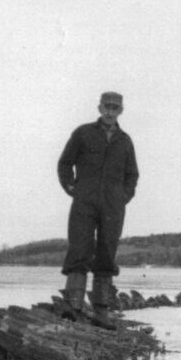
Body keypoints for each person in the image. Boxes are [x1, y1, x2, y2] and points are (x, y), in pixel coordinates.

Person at [57, 91, 139, 328]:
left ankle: (101, 311)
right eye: (107, 107)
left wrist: (122, 197)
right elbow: (65, 163)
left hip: (113, 206)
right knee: (79, 248)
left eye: (115, 108)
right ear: (100, 108)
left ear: (120, 111)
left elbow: (132, 175)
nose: (110, 112)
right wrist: (72, 188)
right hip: (84, 202)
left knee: (107, 252)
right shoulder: (83, 133)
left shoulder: (125, 141)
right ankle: (72, 306)